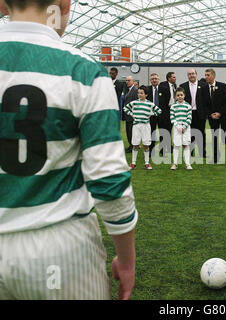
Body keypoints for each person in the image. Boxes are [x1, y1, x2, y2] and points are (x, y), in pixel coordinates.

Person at [0, 0, 137, 300]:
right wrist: (126, 261)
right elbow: (109, 181)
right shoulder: (83, 70)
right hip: (61, 246)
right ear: (64, 4)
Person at [124, 85, 162, 170]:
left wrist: (151, 114)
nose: (139, 95)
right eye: (138, 93)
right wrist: (131, 114)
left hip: (146, 126)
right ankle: (133, 163)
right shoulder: (134, 103)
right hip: (136, 126)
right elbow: (125, 108)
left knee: (146, 144)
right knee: (135, 144)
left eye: (141, 93)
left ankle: (147, 163)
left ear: (146, 94)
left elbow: (159, 111)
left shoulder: (150, 103)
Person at [204, 68, 226, 163]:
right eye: (205, 75)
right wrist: (211, 114)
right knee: (214, 137)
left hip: (223, 116)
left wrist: (219, 113)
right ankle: (215, 158)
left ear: (213, 76)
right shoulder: (204, 88)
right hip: (212, 117)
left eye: (208, 75)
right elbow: (204, 104)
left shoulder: (222, 86)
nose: (206, 77)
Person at [180, 69, 209, 158]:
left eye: (193, 74)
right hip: (188, 114)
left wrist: (205, 113)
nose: (191, 75)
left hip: (200, 113)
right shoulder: (183, 86)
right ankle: (189, 152)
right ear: (187, 76)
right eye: (189, 74)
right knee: (189, 133)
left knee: (201, 133)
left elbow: (207, 100)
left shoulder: (204, 85)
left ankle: (202, 152)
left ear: (196, 74)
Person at [170, 87, 193, 170]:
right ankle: (175, 163)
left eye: (181, 95)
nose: (180, 97)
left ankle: (188, 164)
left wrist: (184, 126)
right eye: (178, 95)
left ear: (184, 95)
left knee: (186, 145)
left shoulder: (188, 106)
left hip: (186, 128)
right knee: (176, 145)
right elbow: (172, 118)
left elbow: (189, 118)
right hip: (176, 128)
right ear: (175, 96)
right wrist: (178, 126)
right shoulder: (173, 106)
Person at [158, 72, 177, 155]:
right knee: (163, 130)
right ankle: (162, 149)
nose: (175, 78)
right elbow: (162, 99)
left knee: (169, 129)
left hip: (172, 111)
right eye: (173, 77)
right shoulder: (163, 85)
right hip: (164, 111)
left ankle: (169, 146)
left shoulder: (175, 86)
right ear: (169, 78)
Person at [123, 76, 139, 153]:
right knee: (128, 132)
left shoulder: (135, 90)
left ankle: (133, 146)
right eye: (126, 80)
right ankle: (131, 145)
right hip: (127, 115)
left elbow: (136, 103)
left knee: (131, 132)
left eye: (129, 80)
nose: (127, 82)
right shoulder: (128, 90)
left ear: (133, 81)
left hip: (132, 115)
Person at [147, 73, 160, 157]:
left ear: (158, 79)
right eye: (152, 79)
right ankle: (151, 150)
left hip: (161, 114)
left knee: (163, 131)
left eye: (155, 78)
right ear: (150, 80)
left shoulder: (163, 89)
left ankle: (164, 150)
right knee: (151, 132)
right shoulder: (147, 89)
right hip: (151, 115)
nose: (154, 80)